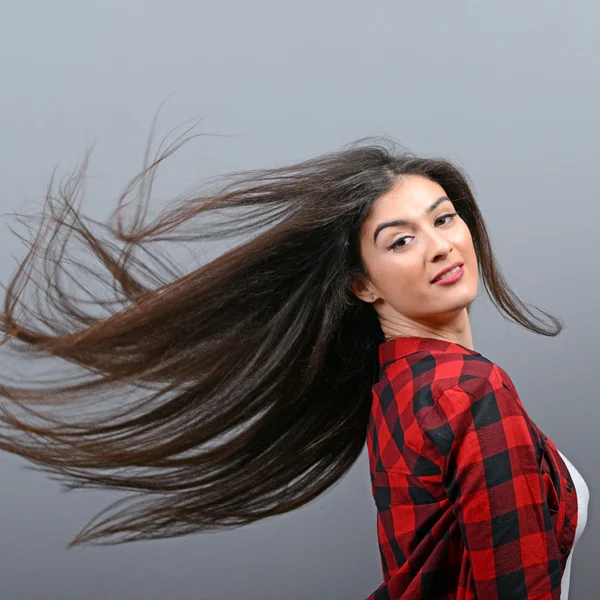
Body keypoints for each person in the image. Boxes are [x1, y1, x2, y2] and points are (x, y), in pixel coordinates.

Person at [0, 121, 589, 599]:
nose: (439, 245)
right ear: (362, 285)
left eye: (443, 218)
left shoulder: (397, 386)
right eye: (400, 240)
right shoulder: (469, 390)